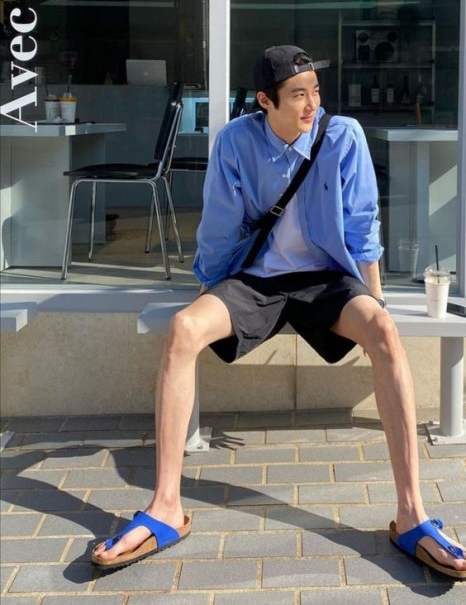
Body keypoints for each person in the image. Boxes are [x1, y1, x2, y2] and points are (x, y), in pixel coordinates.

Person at [92, 45, 466, 579]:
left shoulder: (343, 136)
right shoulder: (236, 141)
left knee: (384, 331)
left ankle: (412, 514)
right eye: (298, 95)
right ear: (265, 101)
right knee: (183, 329)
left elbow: (363, 224)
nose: (312, 104)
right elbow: (219, 228)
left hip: (325, 281)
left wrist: (375, 304)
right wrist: (210, 295)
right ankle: (166, 506)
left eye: (315, 91)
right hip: (256, 281)